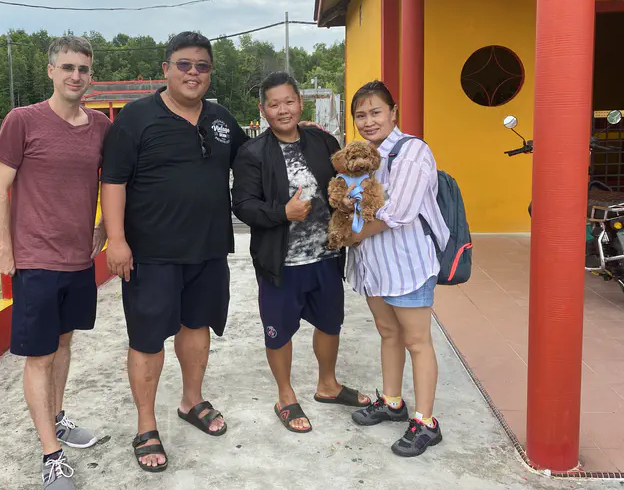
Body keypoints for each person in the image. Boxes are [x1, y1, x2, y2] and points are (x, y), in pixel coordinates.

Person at [100, 31, 249, 473]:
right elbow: (113, 181)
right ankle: (146, 424)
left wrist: (298, 138)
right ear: (166, 69)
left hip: (208, 249)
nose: (193, 73)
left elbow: (254, 160)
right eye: (184, 64)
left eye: (202, 66)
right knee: (147, 339)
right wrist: (116, 240)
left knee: (197, 327)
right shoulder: (136, 117)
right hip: (151, 253)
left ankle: (191, 401)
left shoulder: (221, 120)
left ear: (210, 73)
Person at [0, 36, 111, 489]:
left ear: (90, 75)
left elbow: (113, 181)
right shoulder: (23, 121)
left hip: (78, 258)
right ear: (51, 71)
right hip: (36, 259)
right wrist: (4, 248)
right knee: (39, 355)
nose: (76, 76)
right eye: (67, 67)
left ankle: (57, 417)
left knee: (63, 343)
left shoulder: (100, 127)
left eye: (83, 69)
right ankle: (50, 454)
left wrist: (104, 227)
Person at [231, 72, 371, 434]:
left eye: (289, 102)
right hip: (282, 262)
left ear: (300, 103)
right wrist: (282, 213)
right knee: (279, 331)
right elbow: (243, 204)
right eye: (274, 104)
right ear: (263, 109)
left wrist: (349, 204)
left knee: (330, 323)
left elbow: (341, 182)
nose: (283, 110)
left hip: (325, 256)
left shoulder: (323, 141)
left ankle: (328, 385)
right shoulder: (252, 153)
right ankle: (285, 395)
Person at [344, 80, 448, 457]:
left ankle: (426, 422)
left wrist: (351, 234)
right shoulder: (362, 157)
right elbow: (351, 202)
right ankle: (391, 402)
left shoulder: (413, 152)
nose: (369, 121)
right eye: (361, 115)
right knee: (388, 333)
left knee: (417, 341)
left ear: (393, 112)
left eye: (376, 112)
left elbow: (398, 213)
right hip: (373, 265)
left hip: (407, 264)